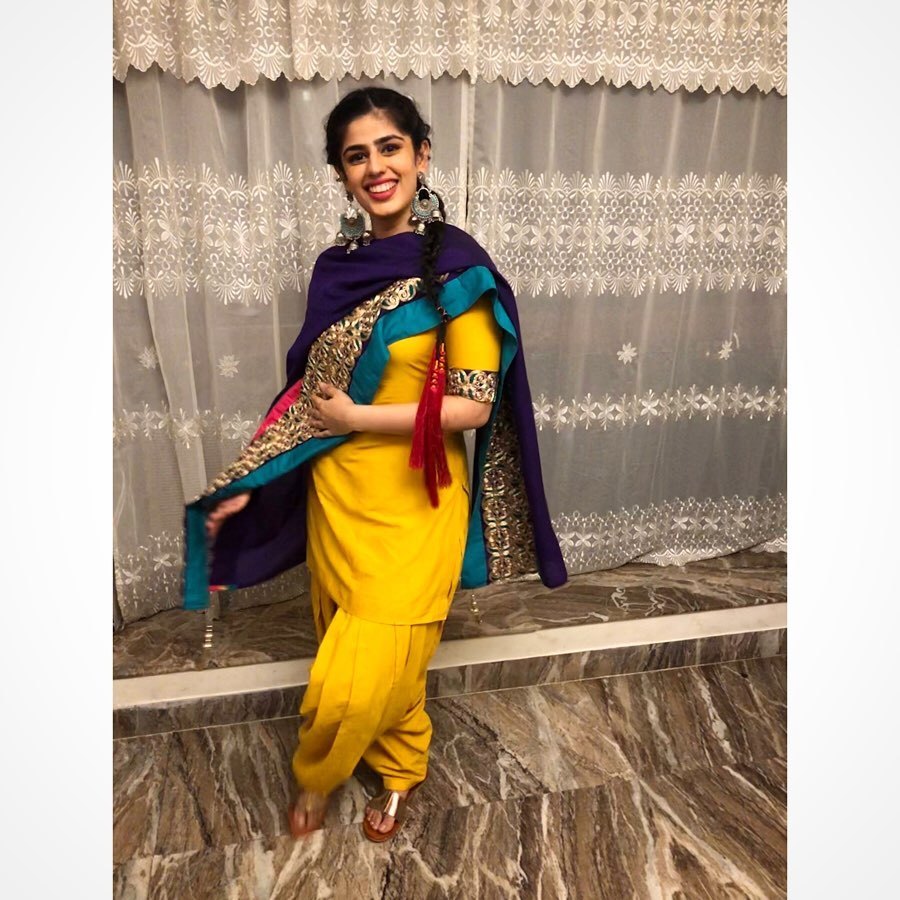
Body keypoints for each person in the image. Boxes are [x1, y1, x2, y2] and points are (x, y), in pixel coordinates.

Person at [182, 87, 567, 842]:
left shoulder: (458, 271)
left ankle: (317, 773)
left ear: (422, 155)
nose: (375, 167)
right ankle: (402, 765)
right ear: (341, 174)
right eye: (355, 156)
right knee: (375, 654)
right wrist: (254, 479)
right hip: (338, 494)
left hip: (418, 501)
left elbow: (473, 406)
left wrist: (358, 419)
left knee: (364, 670)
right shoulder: (336, 270)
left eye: (390, 148)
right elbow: (308, 391)